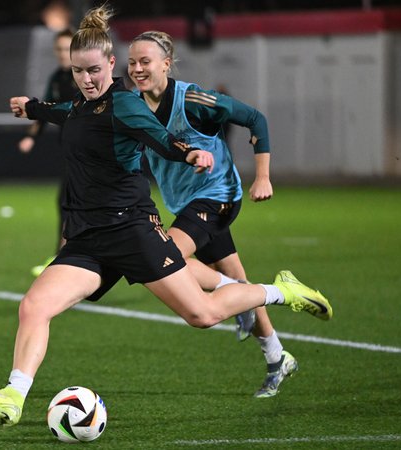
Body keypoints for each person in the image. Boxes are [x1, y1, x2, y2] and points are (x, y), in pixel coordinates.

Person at [0, 4, 332, 427]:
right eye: (79, 72)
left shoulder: (125, 105)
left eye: (95, 71)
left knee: (203, 315)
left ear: (111, 65)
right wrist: (34, 108)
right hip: (88, 239)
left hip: (132, 230)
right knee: (34, 306)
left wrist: (189, 152)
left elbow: (160, 138)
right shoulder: (82, 105)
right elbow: (66, 113)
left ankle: (280, 291)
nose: (87, 80)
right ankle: (13, 397)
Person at [127, 31, 294, 398]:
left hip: (218, 196)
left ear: (166, 64)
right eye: (132, 62)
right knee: (241, 285)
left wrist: (262, 177)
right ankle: (276, 356)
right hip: (187, 204)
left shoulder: (194, 99)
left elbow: (256, 119)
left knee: (164, 256)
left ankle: (247, 293)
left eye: (145, 62)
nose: (137, 69)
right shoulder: (132, 106)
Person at [18, 29, 79, 276]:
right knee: (67, 202)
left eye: (67, 49)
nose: (63, 54)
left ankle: (66, 259)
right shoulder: (57, 77)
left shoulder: (84, 76)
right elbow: (45, 109)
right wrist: (31, 137)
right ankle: (64, 257)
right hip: (69, 150)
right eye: (59, 49)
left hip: (86, 151)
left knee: (72, 202)